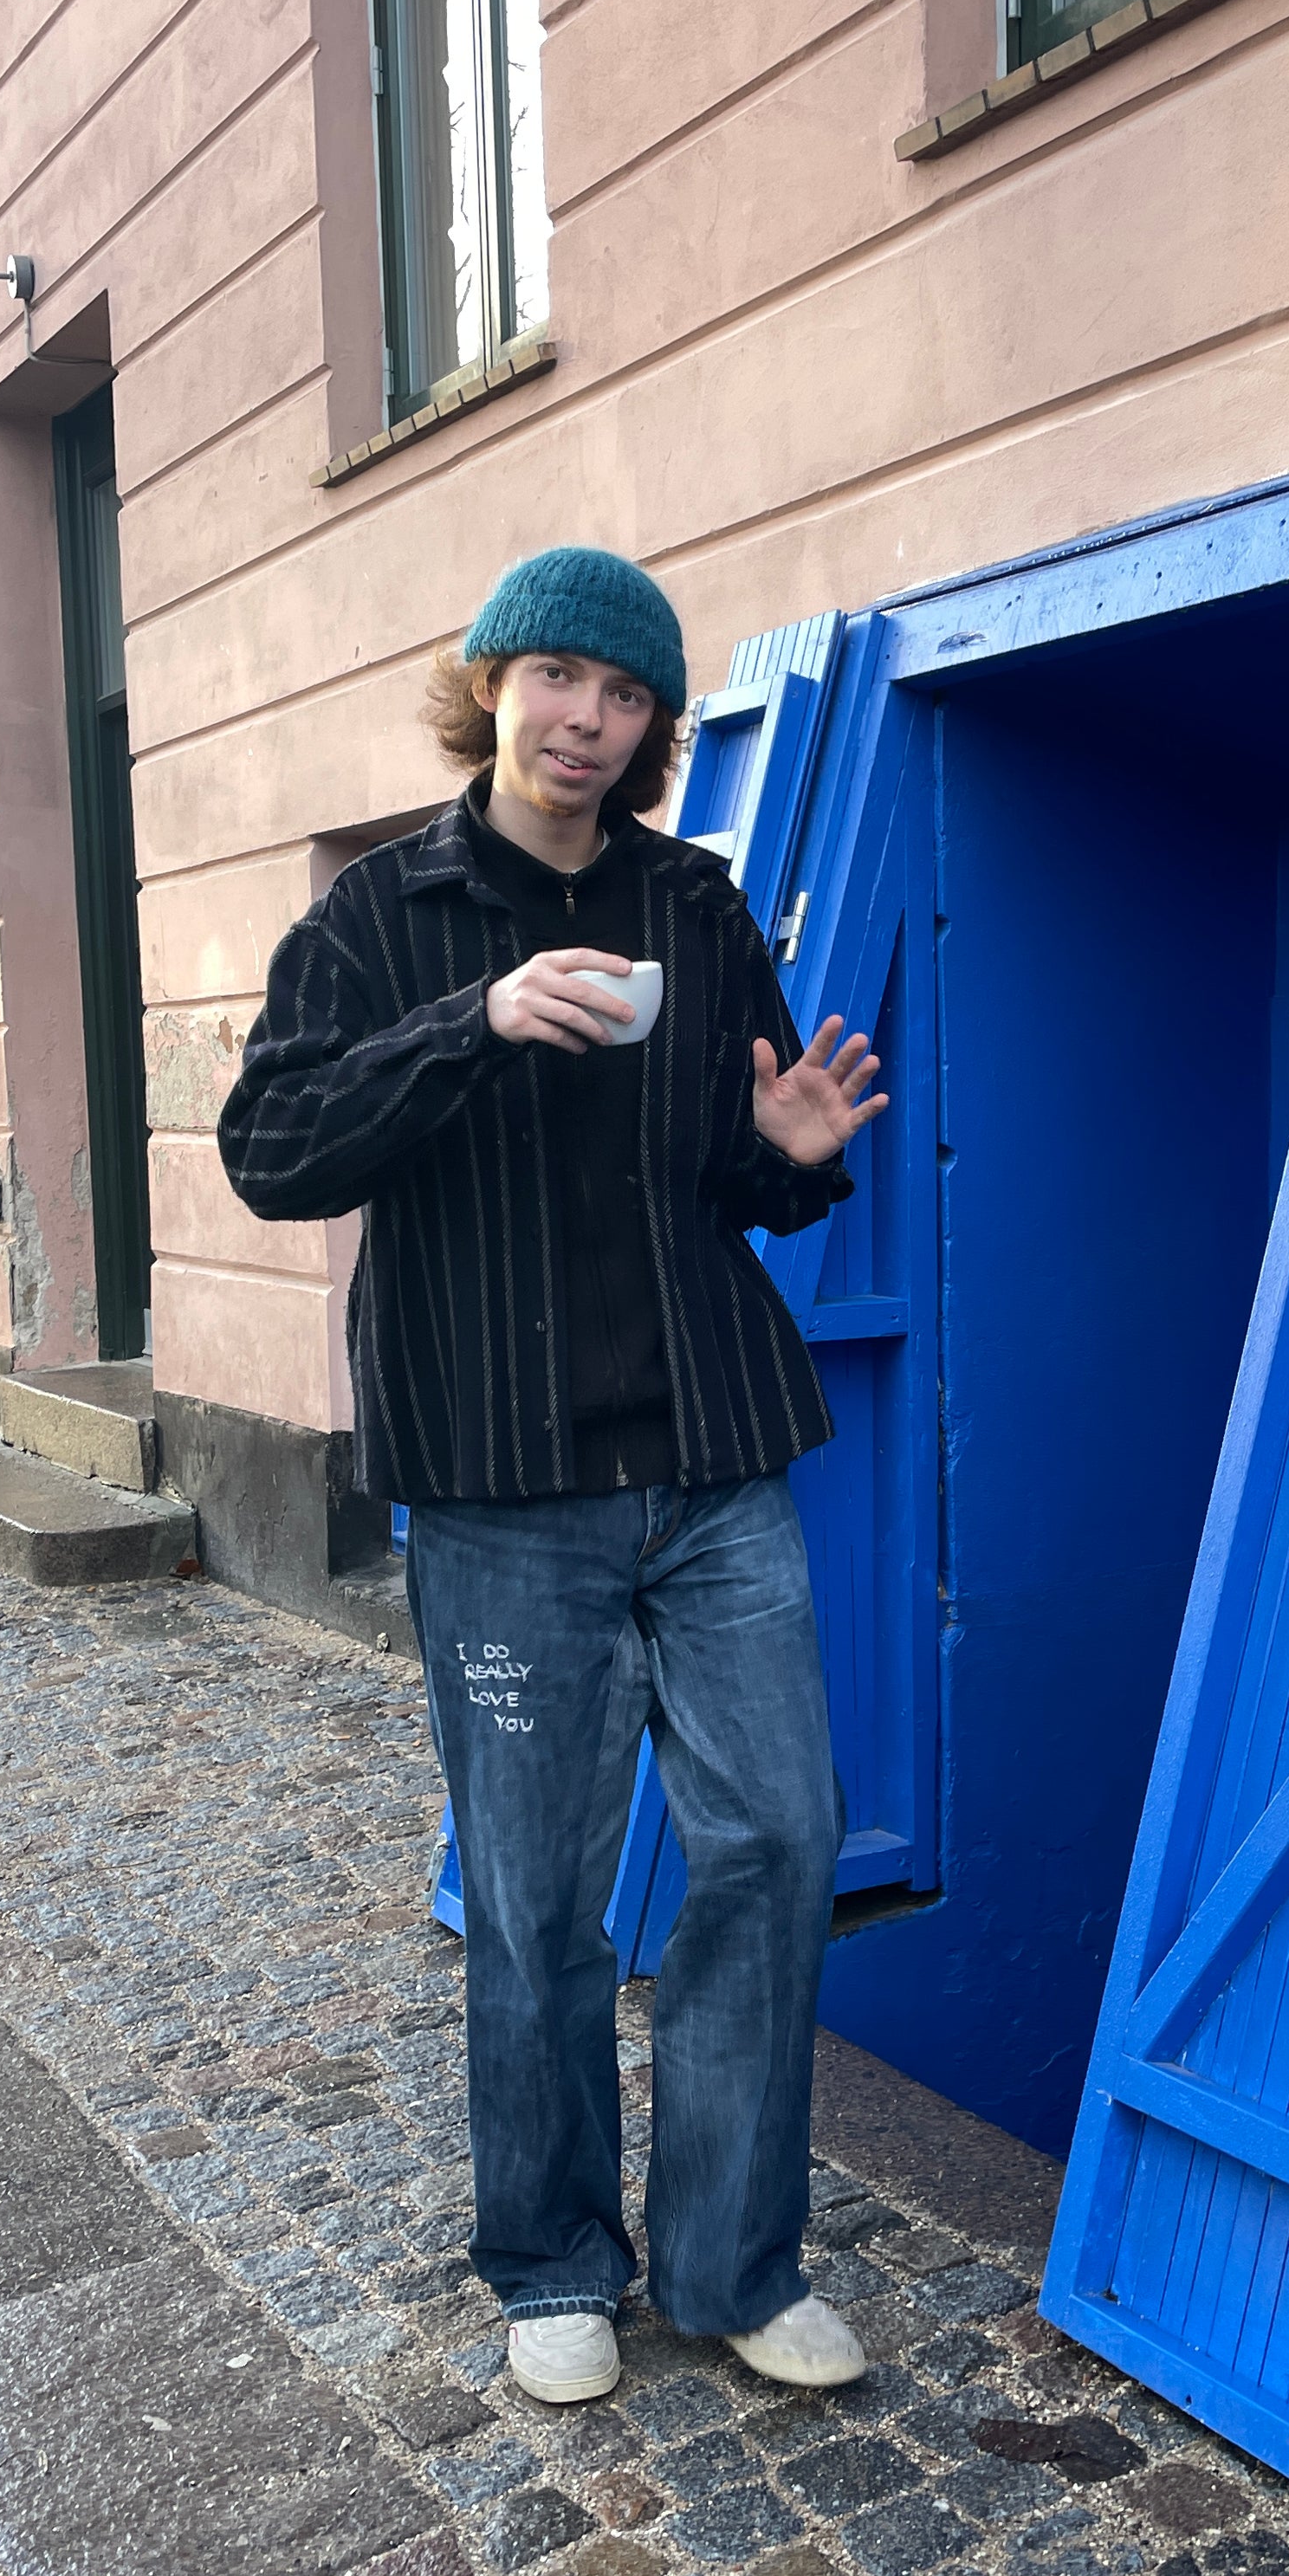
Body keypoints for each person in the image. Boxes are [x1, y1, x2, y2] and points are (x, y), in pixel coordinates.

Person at [218, 547, 886, 2405]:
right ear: (494, 685)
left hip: (713, 1462)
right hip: (504, 1490)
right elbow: (273, 1149)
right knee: (535, 1895)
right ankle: (554, 2259)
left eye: (626, 693)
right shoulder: (380, 914)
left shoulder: (695, 904)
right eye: (558, 678)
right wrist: (478, 1020)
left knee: (781, 1841)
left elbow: (730, 1181)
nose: (587, 719)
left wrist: (792, 1153)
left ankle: (733, 2262)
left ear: (654, 725)